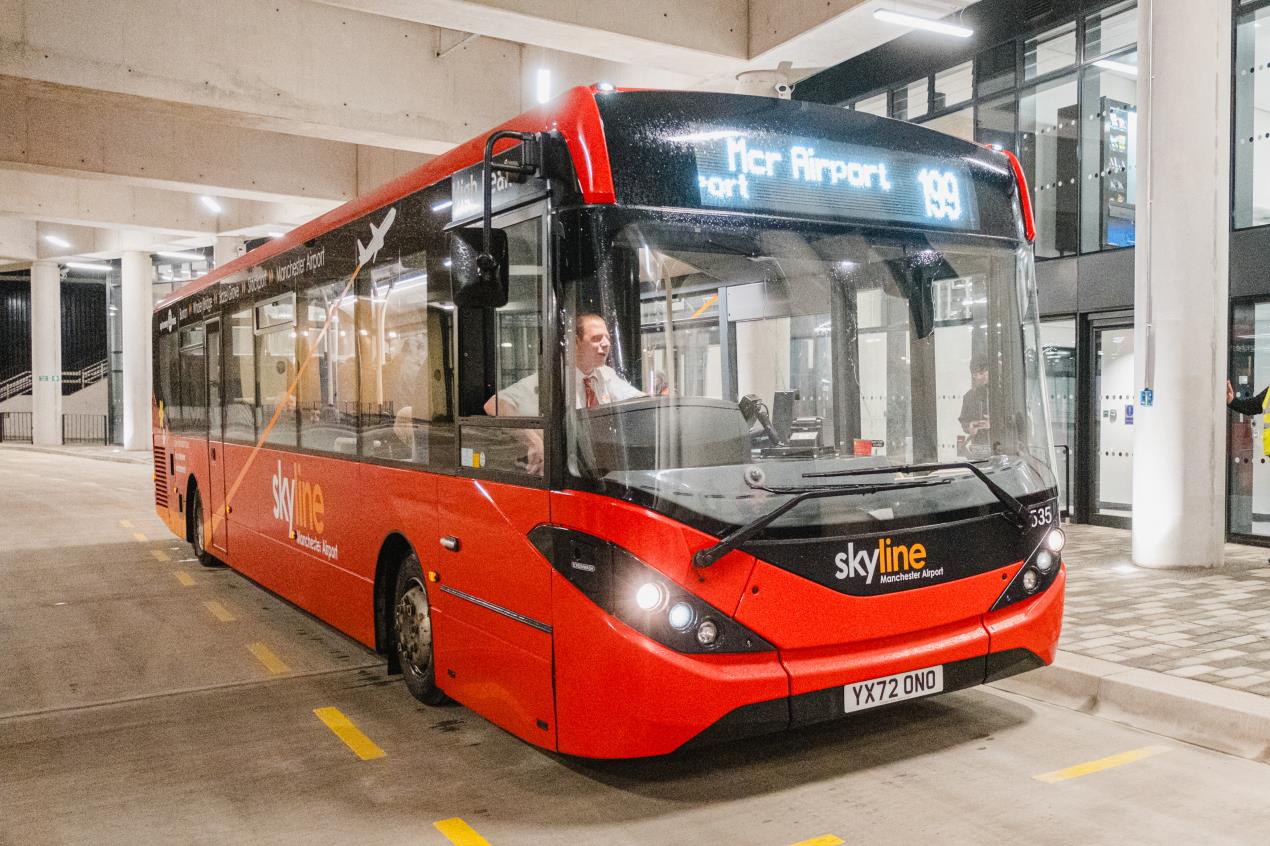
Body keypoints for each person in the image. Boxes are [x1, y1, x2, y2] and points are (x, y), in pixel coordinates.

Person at [484, 313, 643, 473]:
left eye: (608, 338)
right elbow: (494, 404)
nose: (606, 343)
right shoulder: (552, 379)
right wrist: (533, 442)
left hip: (602, 468)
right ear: (575, 342)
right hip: (568, 473)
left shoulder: (606, 374)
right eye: (596, 338)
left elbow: (638, 400)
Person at [959, 354, 991, 446]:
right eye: (975, 375)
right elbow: (964, 420)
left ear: (990, 370)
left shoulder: (1002, 394)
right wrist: (969, 427)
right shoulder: (968, 397)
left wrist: (994, 423)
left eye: (981, 373)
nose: (978, 377)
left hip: (1000, 446)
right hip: (978, 448)